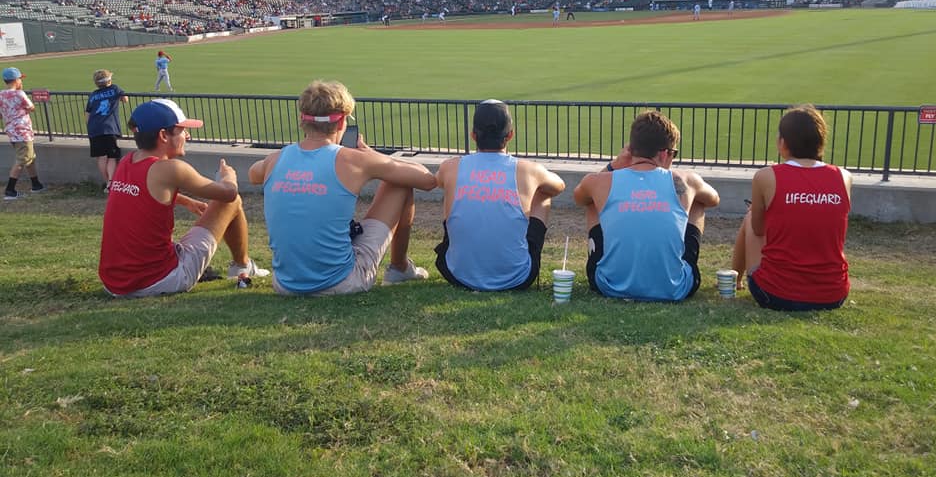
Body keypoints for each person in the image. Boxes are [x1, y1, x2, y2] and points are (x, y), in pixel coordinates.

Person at [248, 80, 437, 296]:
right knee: (400, 182)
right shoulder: (353, 160)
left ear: (302, 119)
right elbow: (426, 180)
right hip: (341, 282)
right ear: (341, 122)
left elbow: (253, 174)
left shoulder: (275, 160)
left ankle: (399, 268)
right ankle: (400, 268)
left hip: (286, 284)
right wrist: (373, 155)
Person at [98, 98, 269, 297]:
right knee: (232, 202)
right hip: (159, 280)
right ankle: (242, 266)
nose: (187, 135)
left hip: (114, 283)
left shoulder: (127, 162)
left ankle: (242, 265)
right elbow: (228, 194)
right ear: (163, 135)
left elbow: (141, 191)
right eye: (182, 130)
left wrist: (186, 201)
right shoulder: (171, 169)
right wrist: (228, 176)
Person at [573, 110, 720, 302]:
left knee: (593, 200)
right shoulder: (685, 180)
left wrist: (614, 165)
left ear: (631, 149)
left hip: (610, 285)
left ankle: (605, 262)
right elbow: (713, 199)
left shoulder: (599, 181)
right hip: (674, 288)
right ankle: (677, 266)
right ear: (665, 154)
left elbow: (579, 197)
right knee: (697, 202)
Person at [434, 100, 566, 291]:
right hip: (518, 277)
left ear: (473, 135)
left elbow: (438, 181)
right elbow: (559, 186)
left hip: (457, 274)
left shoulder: (450, 167)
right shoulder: (528, 170)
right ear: (510, 135)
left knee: (452, 191)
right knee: (543, 194)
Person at [731, 104, 852, 311]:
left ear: (783, 142)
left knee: (750, 217)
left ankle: (734, 279)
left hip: (775, 293)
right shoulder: (844, 176)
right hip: (833, 295)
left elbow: (759, 230)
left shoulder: (766, 176)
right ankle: (736, 279)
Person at [1, 67, 45, 200]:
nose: (21, 81)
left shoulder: (1, 94)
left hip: (11, 131)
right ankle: (10, 190)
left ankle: (36, 184)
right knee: (22, 160)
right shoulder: (20, 94)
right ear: (16, 80)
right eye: (20, 79)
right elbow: (31, 107)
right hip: (23, 132)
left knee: (30, 157)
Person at [85, 69, 128, 192]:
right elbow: (125, 99)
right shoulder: (114, 88)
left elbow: (87, 114)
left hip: (94, 128)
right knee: (112, 157)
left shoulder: (93, 94)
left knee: (101, 157)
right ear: (109, 80)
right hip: (109, 127)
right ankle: (111, 183)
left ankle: (107, 183)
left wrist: (90, 128)